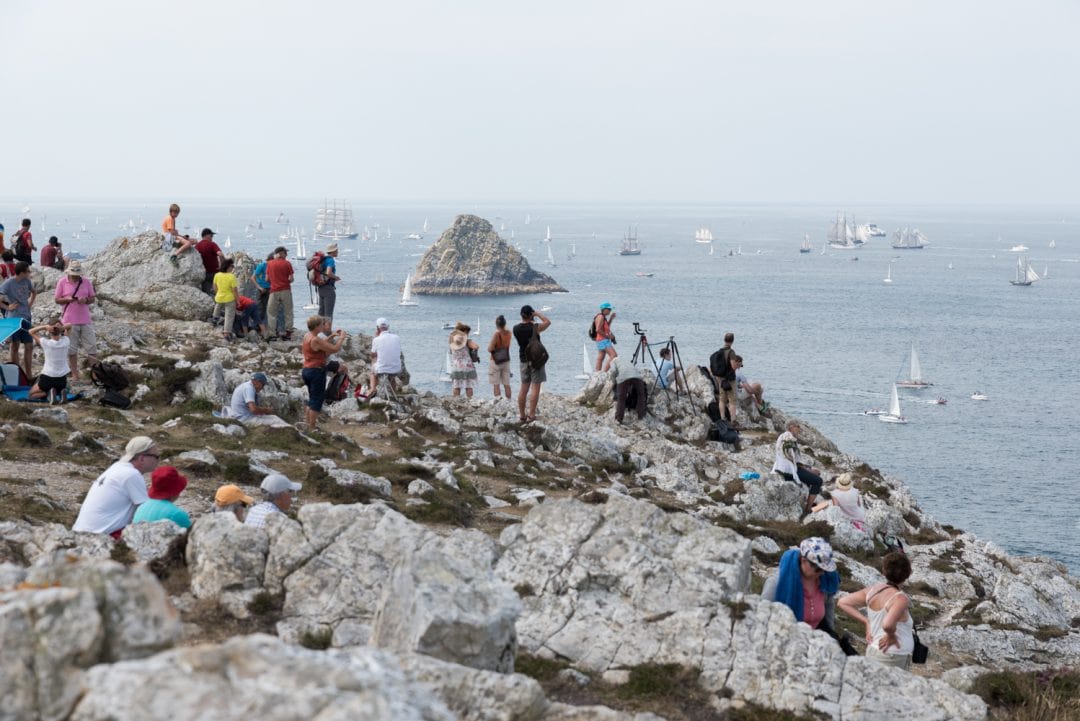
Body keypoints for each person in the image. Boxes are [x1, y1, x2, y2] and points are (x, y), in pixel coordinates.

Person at [837, 552, 915, 669]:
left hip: (873, 649)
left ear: (884, 571)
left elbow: (843, 602)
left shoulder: (873, 590)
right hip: (892, 657)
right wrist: (891, 636)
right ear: (908, 574)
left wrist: (867, 621)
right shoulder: (900, 599)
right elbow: (888, 625)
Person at [72, 436, 160, 537]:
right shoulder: (131, 474)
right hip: (101, 537)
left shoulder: (117, 467)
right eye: (156, 457)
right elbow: (145, 511)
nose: (158, 461)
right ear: (142, 458)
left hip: (81, 533)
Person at [761, 537, 841, 633]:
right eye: (818, 569)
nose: (822, 573)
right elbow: (762, 616)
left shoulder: (824, 582)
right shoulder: (776, 583)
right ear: (803, 561)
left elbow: (829, 608)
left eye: (825, 569)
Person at [53, 260, 97, 381]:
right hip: (69, 321)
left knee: (92, 347)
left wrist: (86, 300)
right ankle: (74, 374)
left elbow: (92, 298)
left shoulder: (86, 282)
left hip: (85, 320)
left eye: (77, 275)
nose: (75, 277)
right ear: (69, 273)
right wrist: (66, 299)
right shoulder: (62, 282)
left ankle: (95, 374)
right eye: (73, 275)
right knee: (72, 349)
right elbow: (57, 299)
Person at [301, 315, 347, 428]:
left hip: (307, 370)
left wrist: (331, 335)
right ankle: (312, 426)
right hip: (316, 371)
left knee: (312, 398)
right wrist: (341, 338)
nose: (323, 325)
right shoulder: (315, 339)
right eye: (322, 324)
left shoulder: (308, 336)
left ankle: (308, 423)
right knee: (317, 400)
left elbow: (321, 345)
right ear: (316, 326)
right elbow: (334, 349)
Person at [772, 420, 823, 515]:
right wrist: (808, 470)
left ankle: (807, 499)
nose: (799, 429)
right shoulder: (788, 439)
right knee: (818, 481)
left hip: (782, 468)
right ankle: (808, 509)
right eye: (797, 427)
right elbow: (792, 460)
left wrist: (807, 469)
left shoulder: (783, 436)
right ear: (791, 427)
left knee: (813, 473)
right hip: (789, 471)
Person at [513, 304, 550, 424]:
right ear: (531, 315)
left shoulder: (515, 328)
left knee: (523, 389)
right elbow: (548, 322)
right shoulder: (535, 328)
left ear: (521, 315)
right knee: (535, 388)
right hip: (536, 361)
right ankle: (531, 415)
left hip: (523, 360)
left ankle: (522, 416)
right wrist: (538, 314)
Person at [0, 261, 37, 378]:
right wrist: (7, 307)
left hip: (26, 317)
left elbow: (34, 292)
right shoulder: (9, 283)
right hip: (13, 319)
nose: (29, 273)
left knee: (29, 346)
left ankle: (29, 376)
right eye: (28, 271)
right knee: (15, 346)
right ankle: (16, 376)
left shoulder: (27, 281)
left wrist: (29, 304)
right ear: (22, 272)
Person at [27, 321, 71, 403]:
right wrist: (61, 328)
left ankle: (48, 393)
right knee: (58, 388)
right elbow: (70, 326)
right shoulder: (66, 341)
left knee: (31, 394)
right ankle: (60, 393)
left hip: (48, 378)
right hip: (62, 380)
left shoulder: (45, 342)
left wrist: (44, 327)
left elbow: (30, 331)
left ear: (50, 331)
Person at [367, 317, 402, 397]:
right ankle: (394, 393)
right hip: (396, 369)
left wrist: (376, 337)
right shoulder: (397, 337)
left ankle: (372, 389)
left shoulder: (377, 339)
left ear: (377, 328)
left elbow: (372, 355)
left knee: (373, 371)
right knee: (392, 377)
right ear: (388, 327)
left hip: (382, 370)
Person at [265, 246, 294, 340]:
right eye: (285, 253)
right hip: (286, 290)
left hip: (274, 291)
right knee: (288, 311)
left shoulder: (269, 264)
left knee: (271, 312)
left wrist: (274, 281)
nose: (287, 255)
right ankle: (288, 333)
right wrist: (285, 281)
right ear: (281, 253)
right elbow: (291, 279)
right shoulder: (287, 263)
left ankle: (272, 334)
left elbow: (267, 279)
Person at [609, 355, 646, 424]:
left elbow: (613, 371)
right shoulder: (626, 360)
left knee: (621, 398)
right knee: (641, 395)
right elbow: (634, 368)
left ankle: (619, 418)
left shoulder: (613, 361)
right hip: (637, 376)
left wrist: (614, 381)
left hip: (623, 377)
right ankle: (641, 415)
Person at [710, 332, 738, 426]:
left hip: (721, 379)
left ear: (724, 340)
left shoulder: (719, 351)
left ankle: (722, 418)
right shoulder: (731, 352)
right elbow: (733, 366)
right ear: (732, 341)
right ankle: (733, 420)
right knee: (732, 400)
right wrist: (737, 365)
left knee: (722, 399)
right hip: (730, 380)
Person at [448, 321, 479, 398]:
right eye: (467, 333)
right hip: (467, 366)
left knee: (456, 386)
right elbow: (476, 347)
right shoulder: (467, 341)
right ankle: (469, 401)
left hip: (456, 366)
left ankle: (456, 401)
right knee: (468, 386)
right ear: (464, 332)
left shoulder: (452, 342)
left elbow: (451, 352)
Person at [487, 314, 513, 401]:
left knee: (496, 383)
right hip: (506, 360)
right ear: (505, 323)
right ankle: (509, 401)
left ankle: (498, 401)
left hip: (496, 361)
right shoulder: (509, 333)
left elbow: (490, 348)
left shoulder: (497, 334)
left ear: (496, 324)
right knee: (507, 384)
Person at [212, 257, 238, 342]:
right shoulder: (231, 276)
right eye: (232, 266)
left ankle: (215, 319)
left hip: (219, 297)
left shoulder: (217, 275)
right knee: (229, 316)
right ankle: (226, 333)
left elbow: (215, 287)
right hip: (229, 298)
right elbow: (234, 290)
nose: (232, 268)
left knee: (218, 307)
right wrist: (237, 300)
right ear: (228, 267)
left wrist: (218, 293)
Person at [194, 228, 224, 296]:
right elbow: (220, 254)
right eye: (211, 236)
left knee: (206, 293)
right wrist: (222, 265)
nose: (212, 237)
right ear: (206, 235)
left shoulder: (197, 246)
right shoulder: (212, 244)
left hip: (204, 274)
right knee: (219, 291)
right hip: (214, 273)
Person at [317, 243, 341, 322]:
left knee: (321, 311)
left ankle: (319, 330)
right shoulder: (330, 260)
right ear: (333, 251)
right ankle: (327, 331)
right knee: (328, 312)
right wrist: (336, 277)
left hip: (320, 288)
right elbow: (328, 273)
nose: (338, 251)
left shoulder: (324, 259)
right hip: (328, 288)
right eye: (337, 250)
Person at [592, 302, 617, 372]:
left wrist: (611, 319)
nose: (610, 311)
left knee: (601, 357)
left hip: (600, 340)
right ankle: (604, 372)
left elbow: (605, 327)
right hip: (603, 340)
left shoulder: (601, 317)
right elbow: (598, 329)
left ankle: (597, 373)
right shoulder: (601, 317)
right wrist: (608, 337)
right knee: (614, 355)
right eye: (609, 309)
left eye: (610, 309)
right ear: (604, 309)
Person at [251, 251, 273, 326]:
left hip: (271, 289)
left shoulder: (272, 266)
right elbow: (253, 277)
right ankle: (257, 326)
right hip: (263, 289)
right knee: (261, 308)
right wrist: (259, 287)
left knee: (271, 308)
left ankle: (269, 326)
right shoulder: (262, 265)